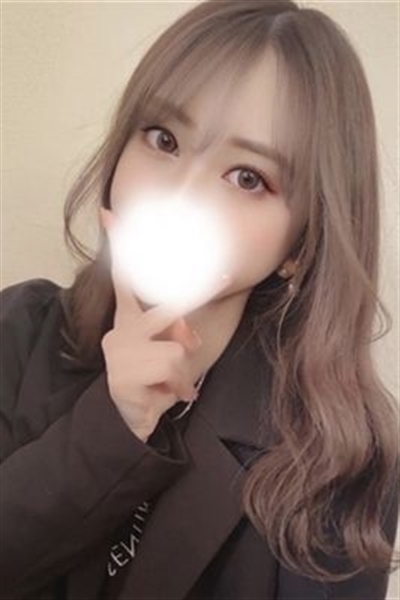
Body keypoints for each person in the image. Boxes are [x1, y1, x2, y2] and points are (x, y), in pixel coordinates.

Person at [1, 1, 399, 599]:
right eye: (164, 139)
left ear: (301, 243)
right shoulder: (20, 330)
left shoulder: (338, 456)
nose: (180, 193)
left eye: (248, 177)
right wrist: (113, 425)